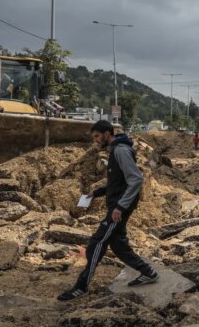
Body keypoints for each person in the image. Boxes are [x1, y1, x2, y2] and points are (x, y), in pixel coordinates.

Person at [57, 120, 158, 301]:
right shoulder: (114, 150)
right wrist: (95, 193)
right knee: (118, 245)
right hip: (118, 205)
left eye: (97, 136)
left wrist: (120, 207)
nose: (95, 140)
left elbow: (135, 179)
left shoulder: (120, 150)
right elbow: (116, 182)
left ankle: (81, 287)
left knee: (97, 242)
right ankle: (148, 272)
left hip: (120, 207)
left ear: (107, 134)